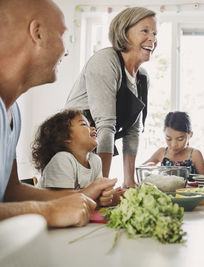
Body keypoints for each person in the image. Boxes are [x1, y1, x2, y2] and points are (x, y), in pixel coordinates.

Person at [0, 0, 116, 227]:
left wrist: (84, 197)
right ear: (38, 32)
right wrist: (46, 212)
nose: (67, 48)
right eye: (64, 35)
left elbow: (11, 192)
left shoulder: (13, 111)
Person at [65, 7, 157, 188]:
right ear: (124, 33)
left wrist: (129, 182)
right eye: (145, 31)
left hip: (96, 146)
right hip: (71, 147)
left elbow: (133, 132)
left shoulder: (142, 77)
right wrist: (103, 185)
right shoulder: (106, 61)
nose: (153, 39)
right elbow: (105, 126)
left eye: (155, 33)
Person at [32, 110, 123, 206]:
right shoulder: (62, 160)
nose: (92, 128)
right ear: (66, 137)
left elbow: (97, 196)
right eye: (84, 124)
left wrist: (109, 195)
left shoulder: (95, 161)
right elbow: (66, 203)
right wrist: (101, 201)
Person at [142, 111, 204, 175]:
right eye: (169, 139)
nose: (174, 145)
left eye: (180, 139)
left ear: (190, 135)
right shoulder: (161, 152)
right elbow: (142, 168)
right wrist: (149, 168)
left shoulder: (195, 155)